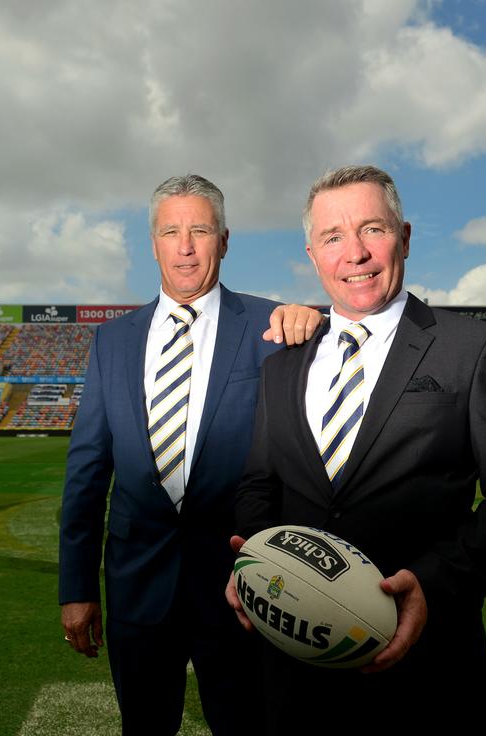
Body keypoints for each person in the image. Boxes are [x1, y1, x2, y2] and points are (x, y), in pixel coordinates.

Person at [227, 164, 486, 735]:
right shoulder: (283, 364)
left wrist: (435, 583)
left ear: (404, 236)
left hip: (426, 675)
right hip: (295, 676)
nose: (354, 253)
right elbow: (260, 483)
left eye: (372, 230)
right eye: (333, 237)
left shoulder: (473, 349)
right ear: (312, 255)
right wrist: (252, 561)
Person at [59, 173, 323, 735]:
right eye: (170, 231)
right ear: (151, 241)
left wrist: (316, 323)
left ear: (224, 239)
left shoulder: (271, 326)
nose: (184, 247)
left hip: (241, 587)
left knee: (248, 725)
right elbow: (86, 473)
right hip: (137, 584)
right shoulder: (113, 340)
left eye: (199, 230)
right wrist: (77, 588)